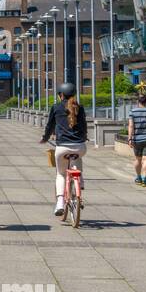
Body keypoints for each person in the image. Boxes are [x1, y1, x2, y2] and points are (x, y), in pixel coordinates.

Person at [40, 82, 88, 217]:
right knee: (78, 158)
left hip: (62, 147)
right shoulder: (80, 108)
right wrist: (84, 137)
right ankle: (80, 182)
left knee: (60, 174)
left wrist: (45, 138)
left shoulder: (56, 107)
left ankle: (60, 202)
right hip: (80, 146)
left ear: (61, 95)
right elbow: (83, 126)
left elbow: (50, 126)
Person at [128, 94, 146, 186]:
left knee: (138, 159)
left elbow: (131, 126)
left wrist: (130, 138)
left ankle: (139, 177)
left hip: (137, 139)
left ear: (138, 101)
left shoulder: (132, 112)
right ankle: (145, 179)